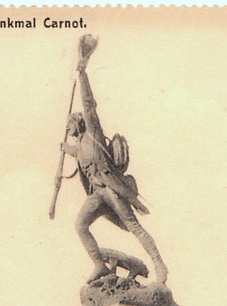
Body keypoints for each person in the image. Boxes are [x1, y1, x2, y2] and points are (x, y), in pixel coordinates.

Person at [62, 34, 168, 286]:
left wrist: (82, 73)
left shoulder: (93, 134)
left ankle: (159, 265)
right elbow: (73, 152)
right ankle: (99, 264)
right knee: (80, 225)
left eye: (70, 126)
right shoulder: (79, 148)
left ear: (78, 123)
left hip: (112, 189)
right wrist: (63, 148)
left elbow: (88, 104)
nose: (69, 130)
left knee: (133, 226)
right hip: (97, 195)